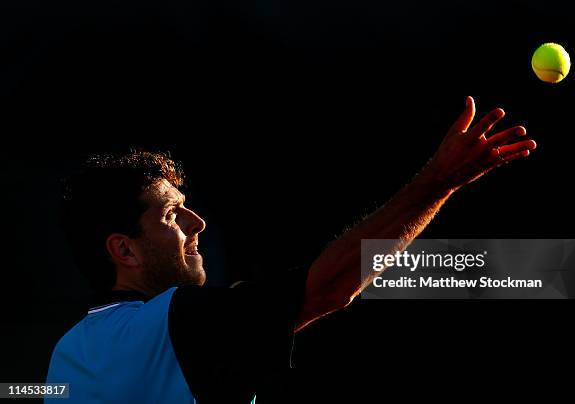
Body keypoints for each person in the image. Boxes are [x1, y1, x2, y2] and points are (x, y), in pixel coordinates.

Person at [45, 96, 536, 403]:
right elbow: (330, 286)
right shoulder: (176, 322)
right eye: (172, 215)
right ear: (123, 251)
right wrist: (439, 182)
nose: (197, 224)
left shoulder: (65, 357)